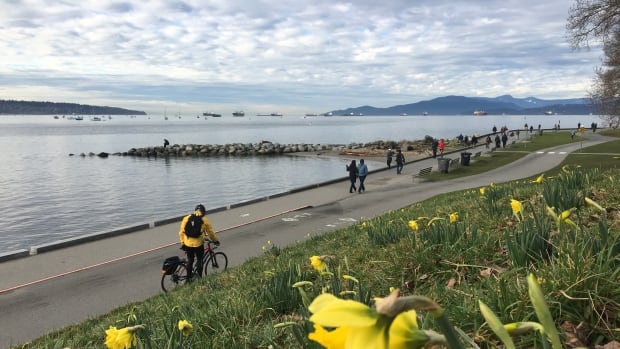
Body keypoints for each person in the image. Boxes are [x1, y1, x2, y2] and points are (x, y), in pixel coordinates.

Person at [179, 204, 219, 280]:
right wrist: (215, 240)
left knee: (190, 260)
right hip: (198, 244)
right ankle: (200, 279)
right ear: (203, 212)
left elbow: (181, 232)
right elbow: (210, 232)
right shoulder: (204, 220)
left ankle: (188, 279)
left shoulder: (186, 218)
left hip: (188, 244)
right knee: (199, 260)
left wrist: (182, 243)